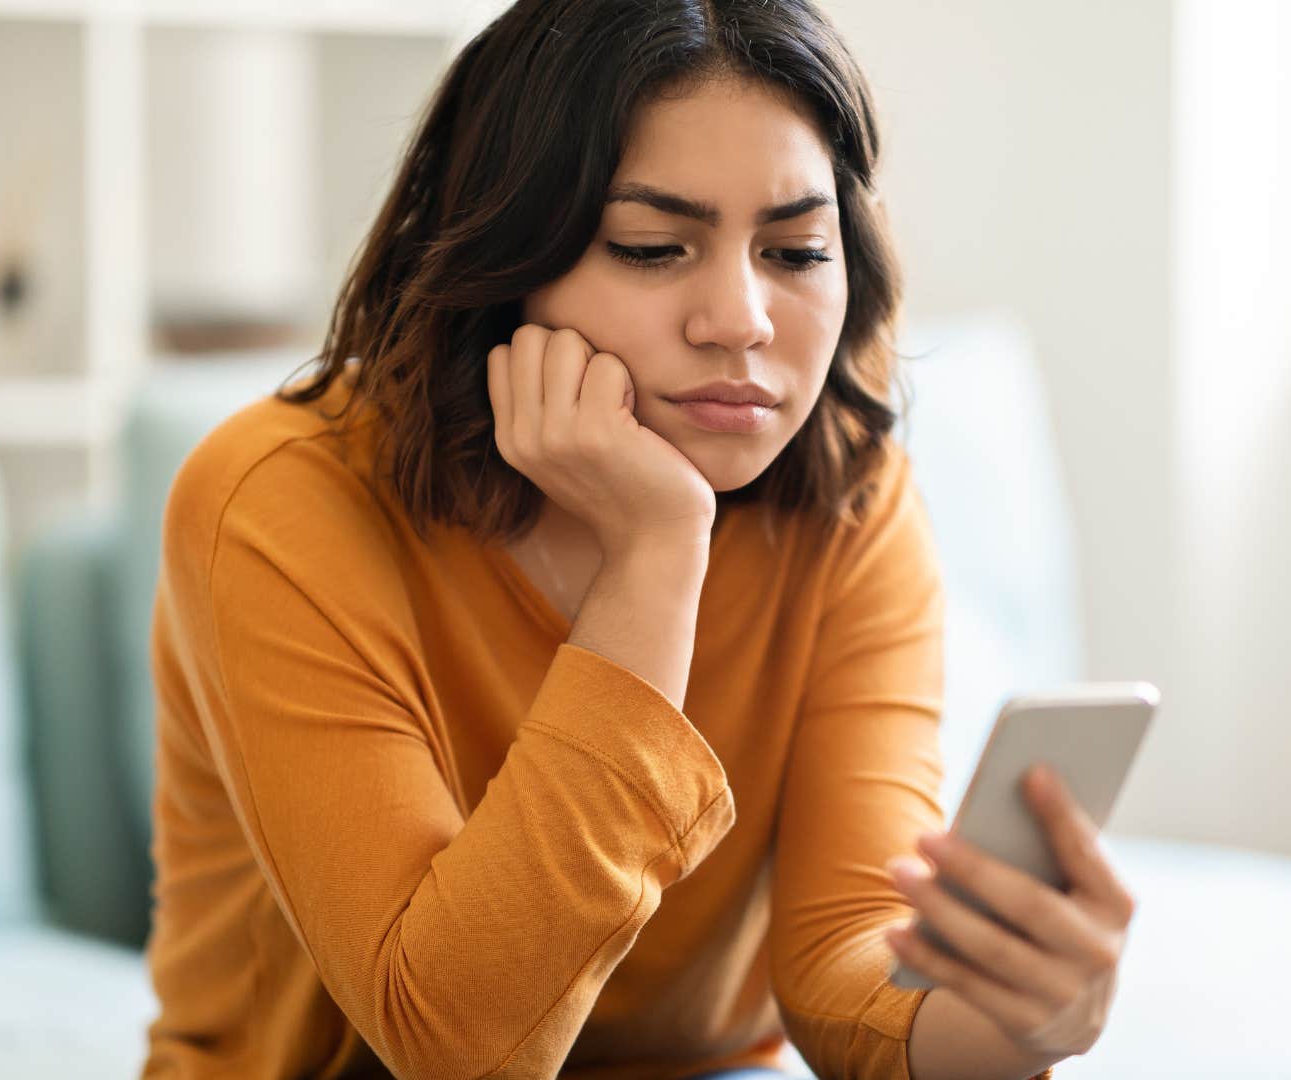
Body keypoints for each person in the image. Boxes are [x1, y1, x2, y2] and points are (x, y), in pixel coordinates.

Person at [140, 1, 1136, 1077]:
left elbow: (850, 966)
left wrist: (1014, 1021)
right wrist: (658, 554)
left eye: (797, 249)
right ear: (508, 254)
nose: (741, 318)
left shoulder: (849, 500)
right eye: (655, 248)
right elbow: (452, 1042)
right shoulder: (275, 504)